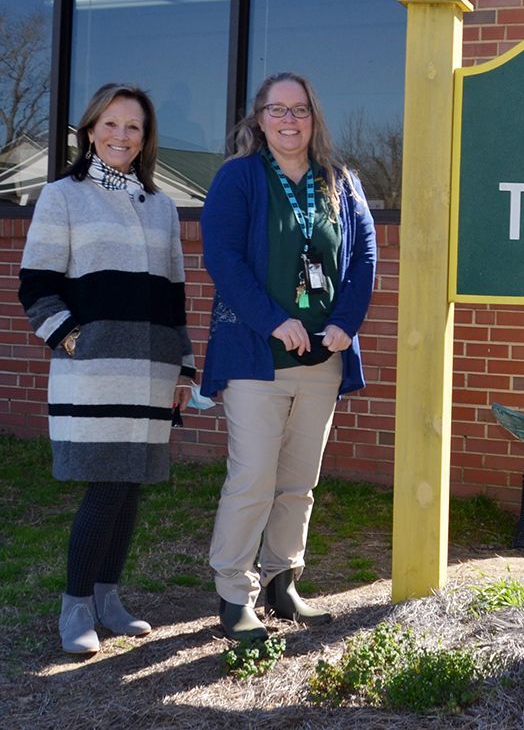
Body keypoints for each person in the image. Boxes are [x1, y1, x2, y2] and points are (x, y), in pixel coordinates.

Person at [19, 84, 195, 654]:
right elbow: (36, 285)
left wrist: (184, 370)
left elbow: (173, 298)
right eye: (112, 124)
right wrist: (72, 340)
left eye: (134, 128)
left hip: (152, 371)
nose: (122, 136)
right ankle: (75, 609)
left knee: (131, 487)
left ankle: (107, 598)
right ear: (91, 130)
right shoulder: (62, 196)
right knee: (107, 485)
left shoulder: (163, 207)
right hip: (93, 371)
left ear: (146, 140)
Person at [201, 73, 376, 641]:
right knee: (253, 475)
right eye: (277, 109)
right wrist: (275, 319)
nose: (289, 120)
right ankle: (234, 592)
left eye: (299, 109)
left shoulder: (340, 181)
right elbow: (224, 259)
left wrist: (345, 323)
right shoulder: (239, 178)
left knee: (299, 479)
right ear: (259, 119)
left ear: (314, 117)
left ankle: (283, 580)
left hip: (322, 360)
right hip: (258, 357)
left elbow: (365, 254)